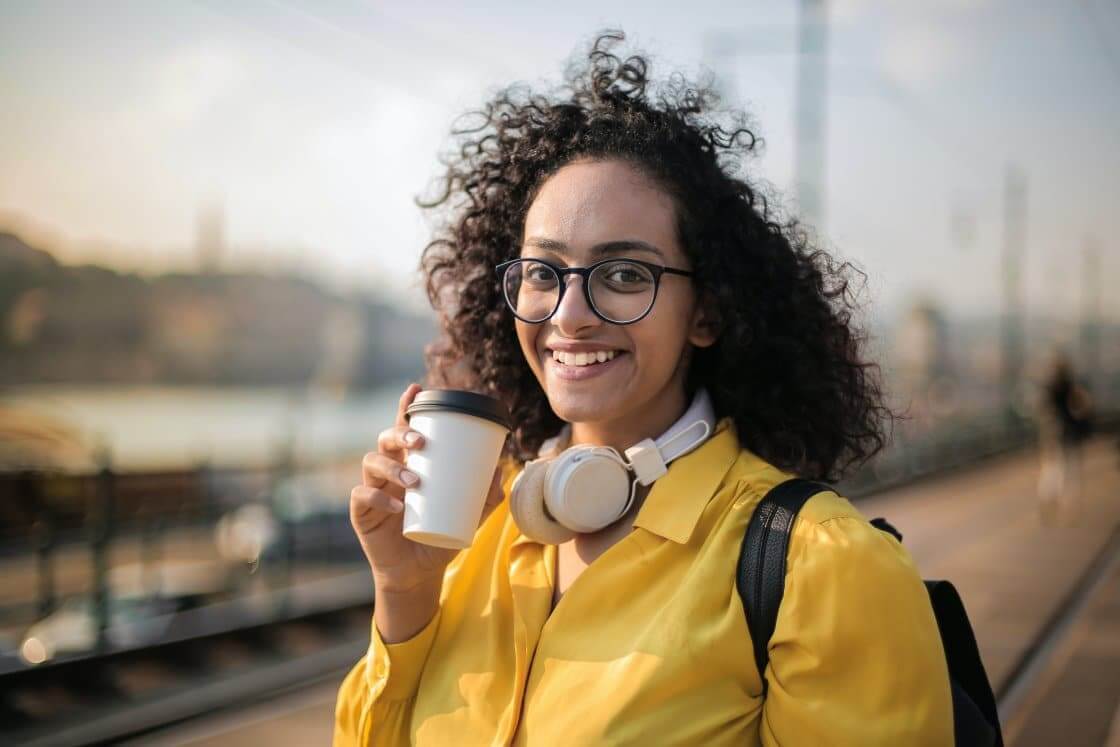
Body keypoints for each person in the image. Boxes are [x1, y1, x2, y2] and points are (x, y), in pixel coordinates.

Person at [334, 30, 952, 746]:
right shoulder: (477, 532)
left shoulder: (825, 565)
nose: (568, 315)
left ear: (709, 311)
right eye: (542, 272)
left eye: (625, 275)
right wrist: (406, 591)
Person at [1037, 349, 1093, 524]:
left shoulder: (1049, 387)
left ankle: (1048, 495)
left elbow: (1043, 410)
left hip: (1054, 432)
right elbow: (1082, 407)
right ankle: (1068, 503)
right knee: (1071, 468)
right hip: (1070, 432)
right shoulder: (1071, 386)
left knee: (1053, 466)